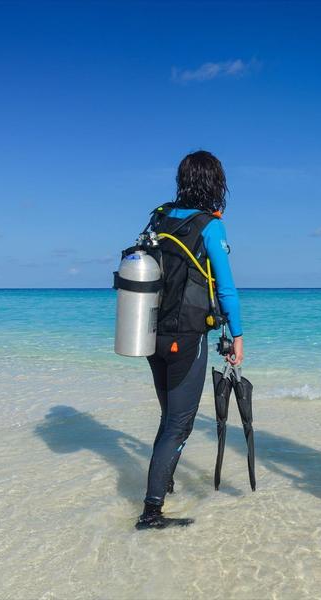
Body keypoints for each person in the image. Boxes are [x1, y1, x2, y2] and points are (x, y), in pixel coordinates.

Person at [137, 150, 244, 529]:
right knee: (179, 423)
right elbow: (226, 287)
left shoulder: (159, 217)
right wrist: (238, 333)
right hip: (187, 336)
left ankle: (163, 482)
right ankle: (151, 511)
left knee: (170, 417)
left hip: (149, 333)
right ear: (216, 185)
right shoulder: (211, 226)